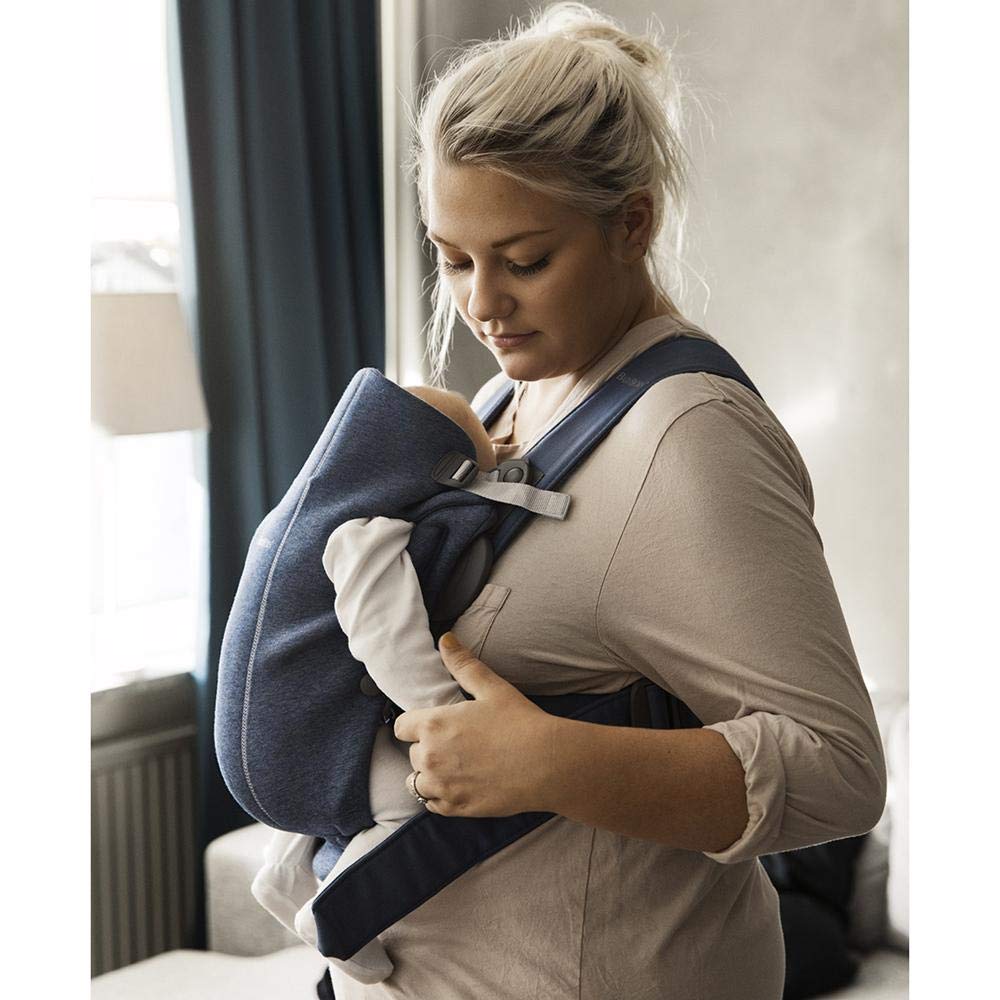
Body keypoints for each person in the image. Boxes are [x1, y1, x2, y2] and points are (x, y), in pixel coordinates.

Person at [317, 3, 887, 997]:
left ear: (632, 221)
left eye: (524, 259)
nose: (482, 302)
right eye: (453, 257)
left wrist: (547, 759)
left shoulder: (691, 437)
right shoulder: (508, 395)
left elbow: (838, 767)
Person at [250, 385, 503, 985]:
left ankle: (284, 869)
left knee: (339, 769)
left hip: (290, 728)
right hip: (297, 733)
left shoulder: (305, 513)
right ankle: (335, 914)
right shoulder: (362, 530)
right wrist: (445, 713)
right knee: (416, 801)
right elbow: (383, 631)